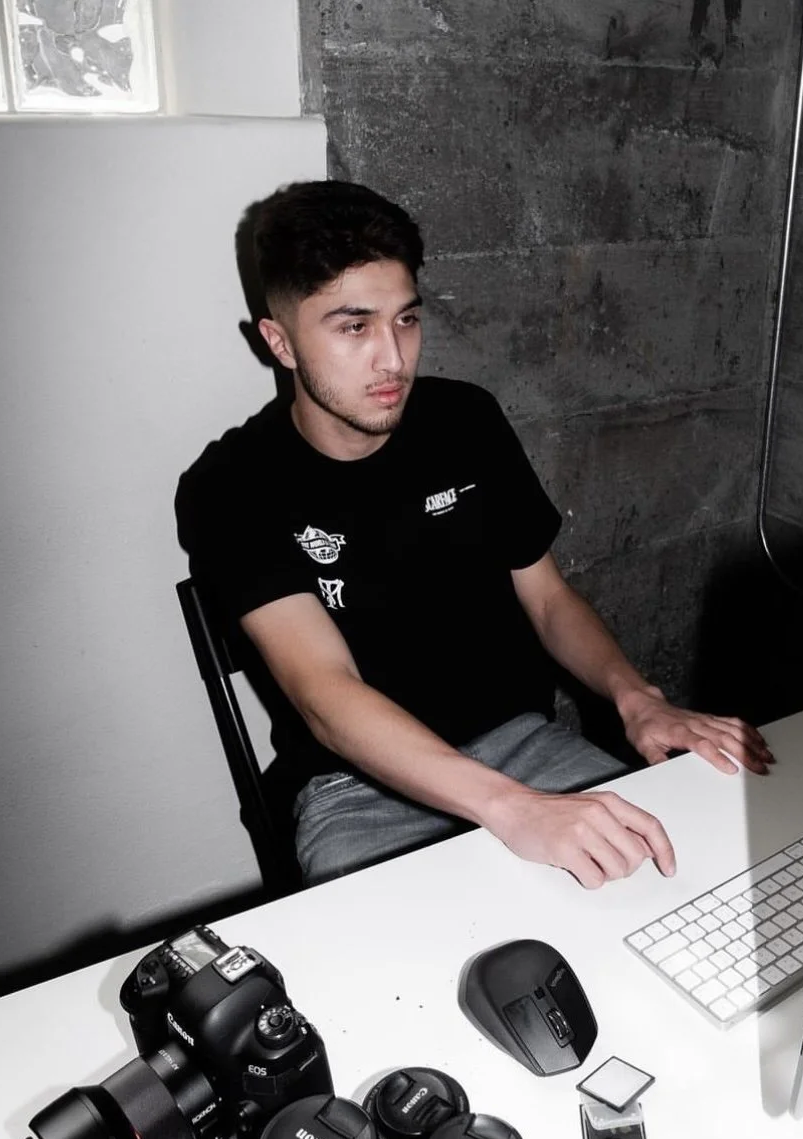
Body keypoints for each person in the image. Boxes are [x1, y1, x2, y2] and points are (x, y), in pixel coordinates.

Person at [176, 180, 772, 888]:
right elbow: (324, 694)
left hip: (523, 747)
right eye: (354, 328)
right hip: (357, 789)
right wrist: (512, 809)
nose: (393, 358)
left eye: (406, 320)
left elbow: (548, 599)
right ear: (281, 343)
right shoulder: (232, 485)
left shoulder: (464, 420)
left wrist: (636, 698)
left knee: (691, 875)